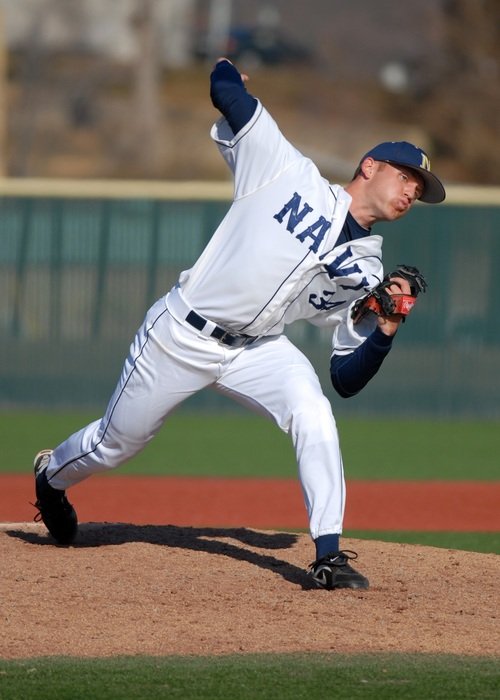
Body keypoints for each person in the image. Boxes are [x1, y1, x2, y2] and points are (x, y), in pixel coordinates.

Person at [33, 58, 445, 590]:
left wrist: (387, 327)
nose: (413, 191)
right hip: (182, 333)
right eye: (407, 176)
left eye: (421, 188)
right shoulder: (285, 171)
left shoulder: (368, 269)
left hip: (259, 350)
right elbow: (228, 94)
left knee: (313, 411)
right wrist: (226, 67)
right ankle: (52, 476)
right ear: (369, 166)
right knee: (118, 443)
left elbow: (346, 377)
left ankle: (328, 555)